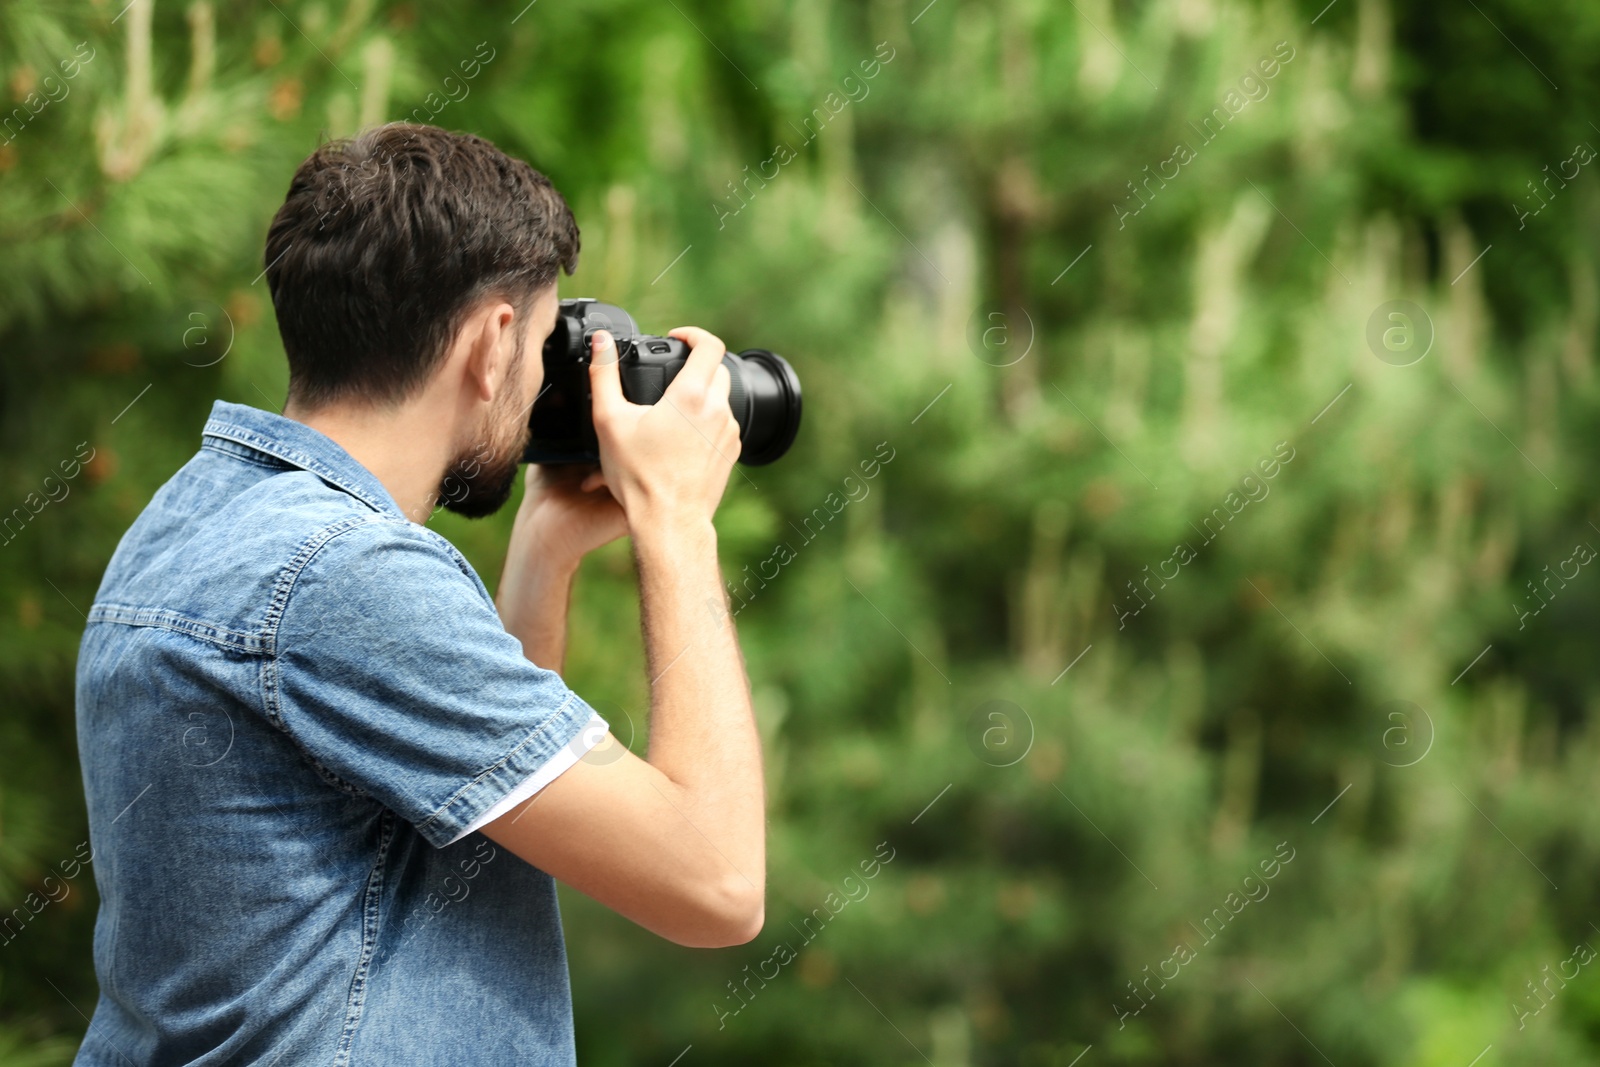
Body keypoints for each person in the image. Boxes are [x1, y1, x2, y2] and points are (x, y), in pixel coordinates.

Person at [72, 122, 766, 1066]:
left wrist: (543, 551)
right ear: (491, 343)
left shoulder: (189, 521)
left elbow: (476, 813)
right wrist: (679, 523)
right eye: (541, 343)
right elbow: (717, 882)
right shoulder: (347, 576)